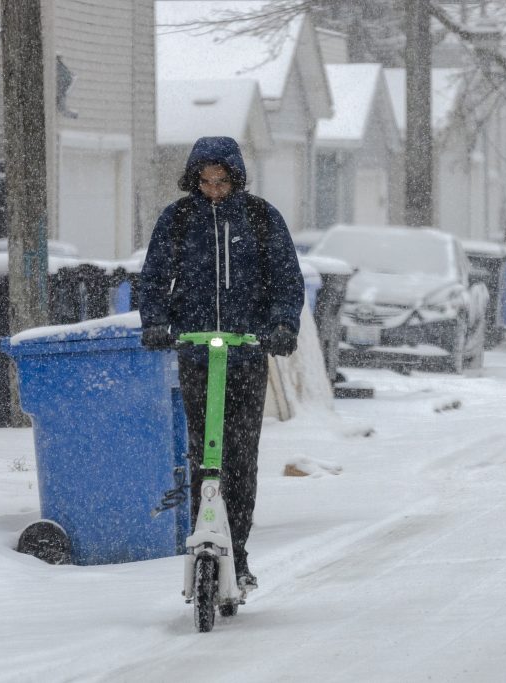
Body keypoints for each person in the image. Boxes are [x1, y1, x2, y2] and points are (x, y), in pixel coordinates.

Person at [139, 136, 304, 592]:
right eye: (206, 181)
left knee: (240, 455)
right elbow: (154, 278)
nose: (214, 189)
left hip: (246, 353)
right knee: (204, 454)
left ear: (236, 179)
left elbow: (286, 279)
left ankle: (239, 551)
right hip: (197, 353)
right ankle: (203, 537)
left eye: (222, 181)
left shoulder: (260, 218)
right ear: (194, 180)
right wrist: (155, 323)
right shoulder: (178, 219)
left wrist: (282, 325)